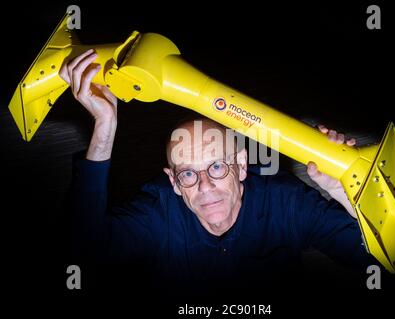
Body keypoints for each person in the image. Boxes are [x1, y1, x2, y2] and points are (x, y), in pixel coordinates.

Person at [61, 49, 375, 296]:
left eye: (216, 166)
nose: (205, 185)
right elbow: (84, 255)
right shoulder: (158, 211)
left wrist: (341, 191)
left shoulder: (286, 201)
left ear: (241, 165)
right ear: (173, 181)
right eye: (188, 174)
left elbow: (370, 259)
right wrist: (104, 125)